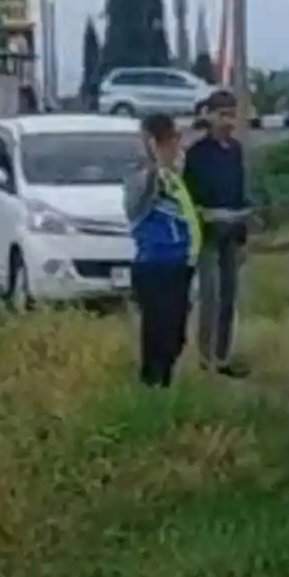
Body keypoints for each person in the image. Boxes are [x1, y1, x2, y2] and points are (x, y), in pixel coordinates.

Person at [123, 113, 202, 387]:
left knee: (176, 333)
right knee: (159, 332)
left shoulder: (172, 177)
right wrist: (154, 150)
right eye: (171, 141)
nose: (177, 148)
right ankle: (151, 384)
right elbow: (144, 189)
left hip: (180, 264)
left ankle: (164, 382)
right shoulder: (142, 178)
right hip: (155, 265)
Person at [182, 89, 252, 378]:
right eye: (222, 114)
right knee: (210, 295)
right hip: (208, 232)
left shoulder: (235, 150)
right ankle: (205, 357)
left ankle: (223, 357)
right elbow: (190, 196)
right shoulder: (197, 154)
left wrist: (244, 228)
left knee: (229, 296)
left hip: (232, 231)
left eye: (232, 115)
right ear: (208, 115)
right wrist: (203, 215)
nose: (228, 121)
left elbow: (239, 191)